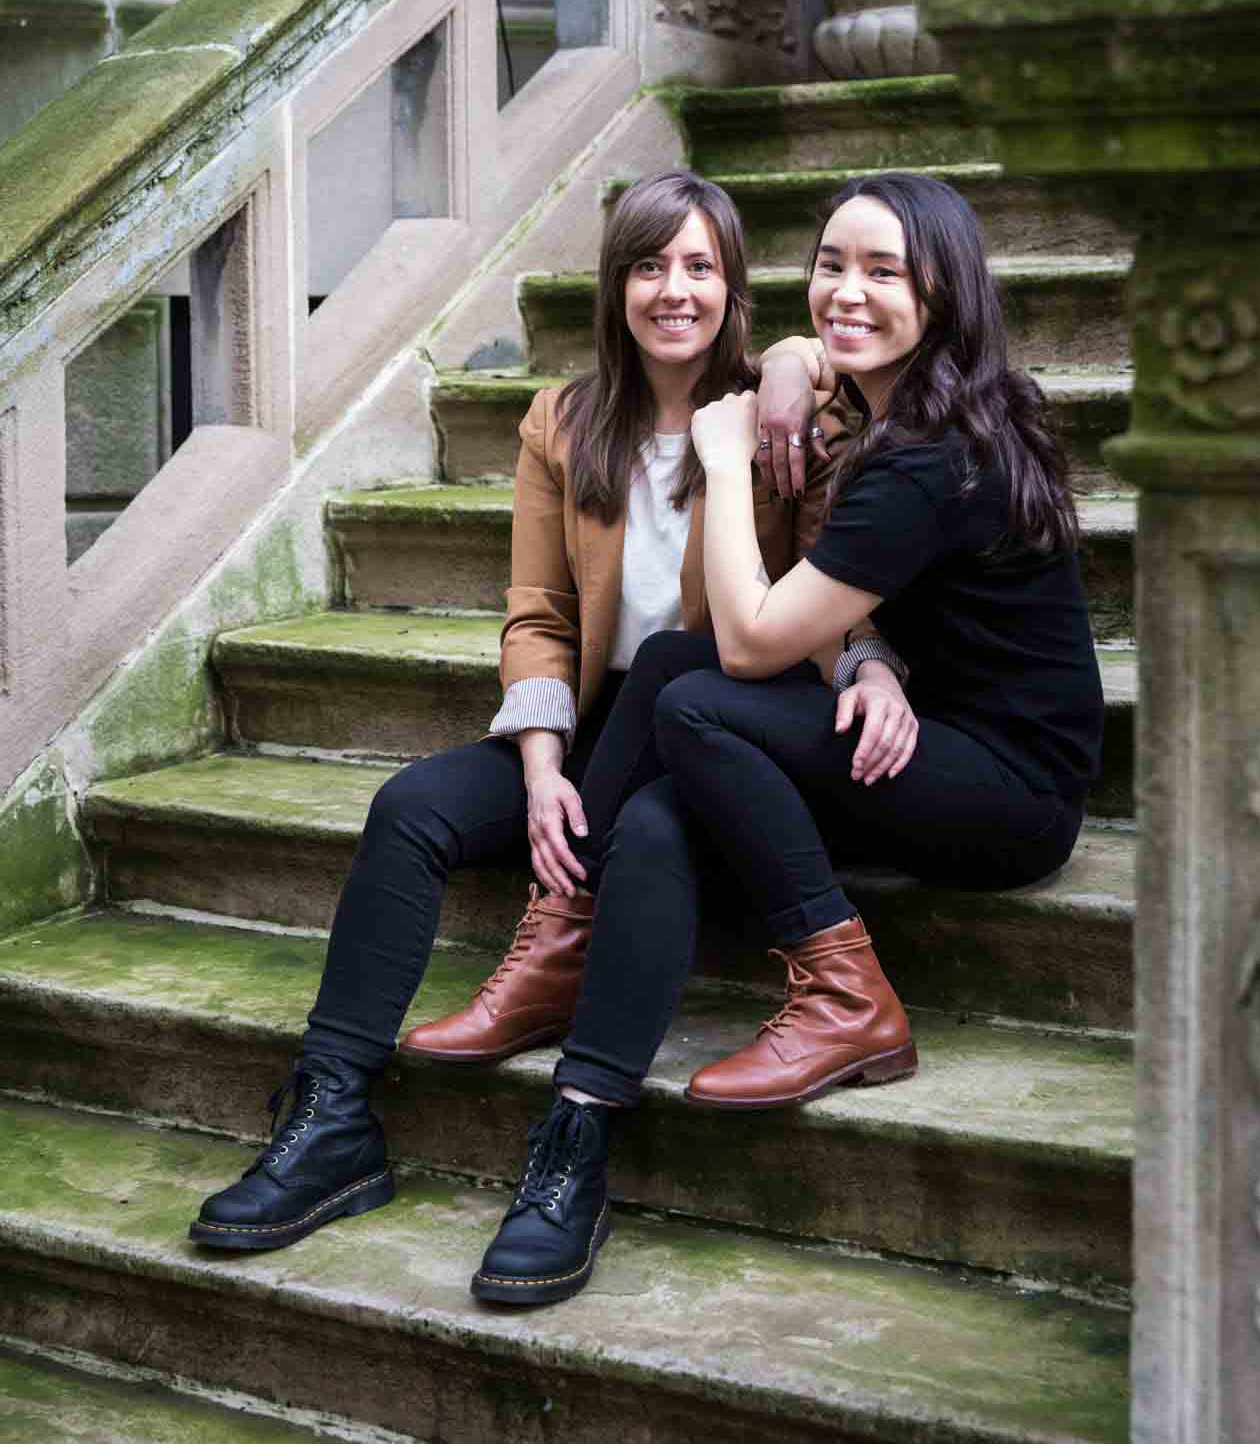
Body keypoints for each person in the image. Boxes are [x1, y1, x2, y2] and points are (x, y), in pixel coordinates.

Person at [188, 168, 898, 1257]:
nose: (676, 289)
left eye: (701, 266)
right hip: (600, 718)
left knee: (654, 823)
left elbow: (833, 584)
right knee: (410, 806)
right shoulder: (560, 421)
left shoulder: (781, 411)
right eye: (651, 264)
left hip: (721, 721)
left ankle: (574, 1140)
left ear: (733, 283)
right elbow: (538, 614)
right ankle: (332, 1114)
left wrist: (871, 668)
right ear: (616, 283)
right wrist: (538, 762)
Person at [471, 171, 1103, 1306]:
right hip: (934, 731)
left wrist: (722, 461)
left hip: (1009, 792)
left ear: (945, 293)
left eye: (883, 272)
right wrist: (785, 376)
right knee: (669, 686)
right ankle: (572, 925)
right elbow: (811, 360)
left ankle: (842, 992)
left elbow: (756, 640)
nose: (845, 294)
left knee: (694, 694)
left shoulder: (919, 460)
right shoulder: (930, 406)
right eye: (829, 264)